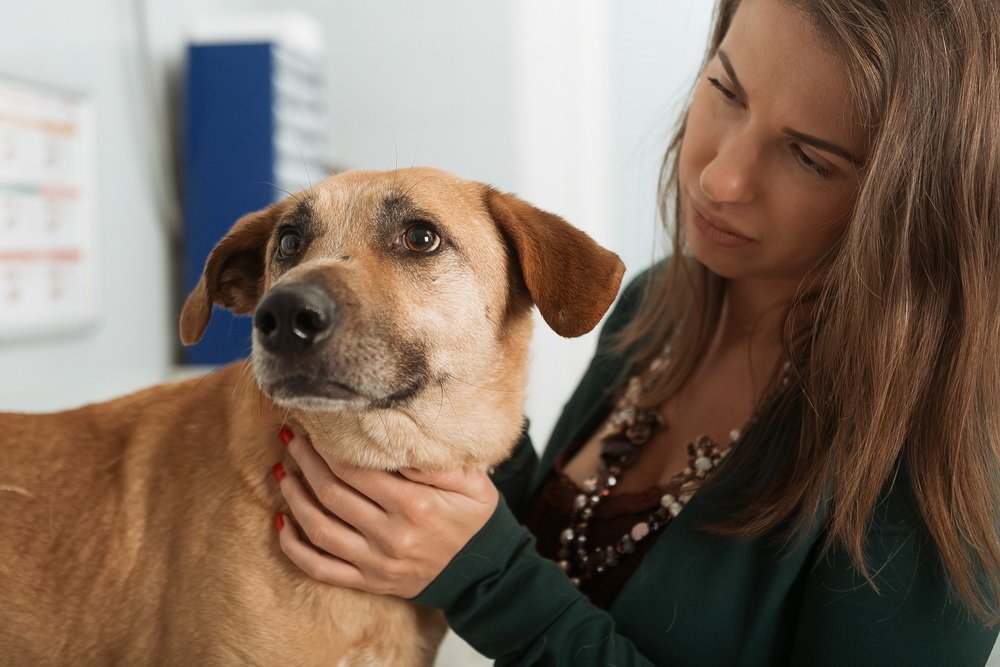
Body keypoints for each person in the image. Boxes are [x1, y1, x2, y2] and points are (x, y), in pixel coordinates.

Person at [269, 0, 1000, 663]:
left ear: (917, 202)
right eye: (727, 91)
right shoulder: (655, 306)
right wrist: (453, 391)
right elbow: (554, 549)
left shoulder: (945, 460)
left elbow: (505, 568)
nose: (720, 178)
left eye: (808, 156)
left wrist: (485, 575)